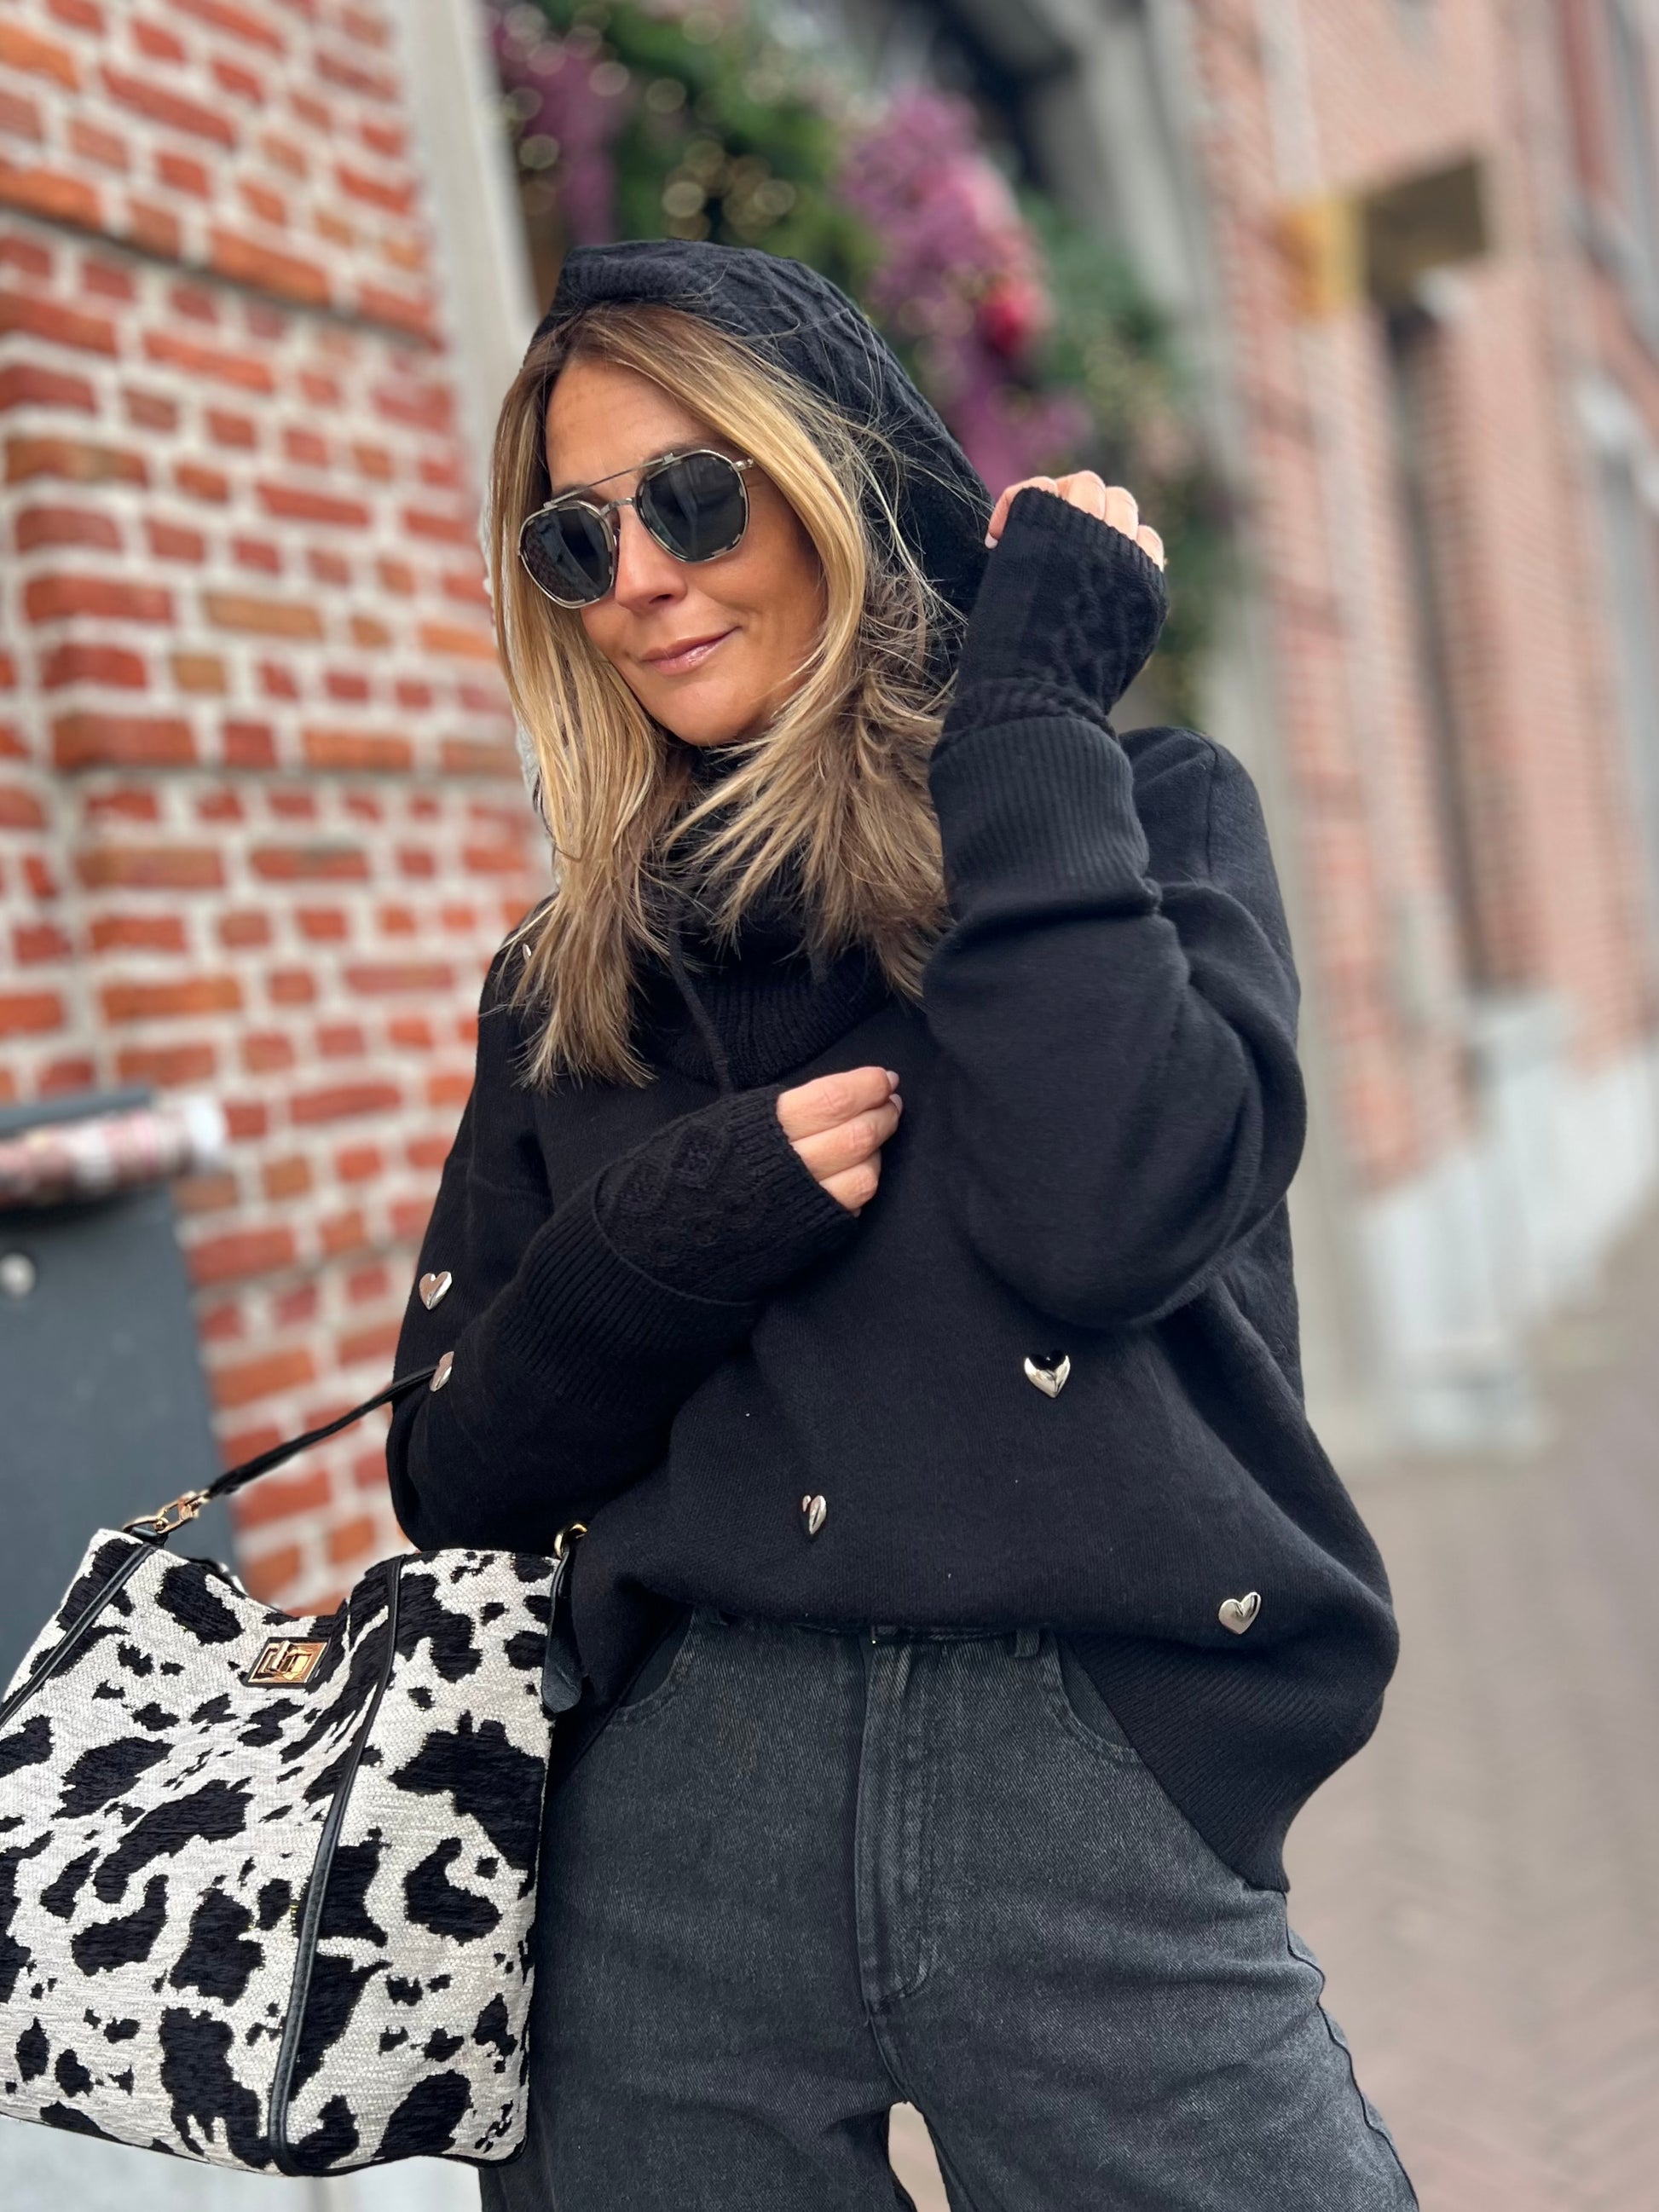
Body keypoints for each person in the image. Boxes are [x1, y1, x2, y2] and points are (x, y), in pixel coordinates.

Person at [388, 239, 1414, 2211]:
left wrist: (1023, 711)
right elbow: (456, 1469)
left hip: (1082, 1778)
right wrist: (652, 1243)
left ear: (833, 481)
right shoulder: (565, 979)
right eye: (576, 540)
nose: (640, 577)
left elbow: (1112, 1213)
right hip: (676, 1817)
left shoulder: (1139, 814)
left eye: (693, 497)